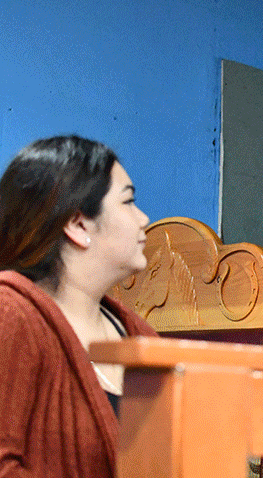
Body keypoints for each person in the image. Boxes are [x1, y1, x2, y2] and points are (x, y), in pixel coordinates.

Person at [0, 135, 157, 478]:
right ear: (78, 224)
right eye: (129, 202)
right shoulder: (11, 314)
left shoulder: (138, 333)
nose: (143, 218)